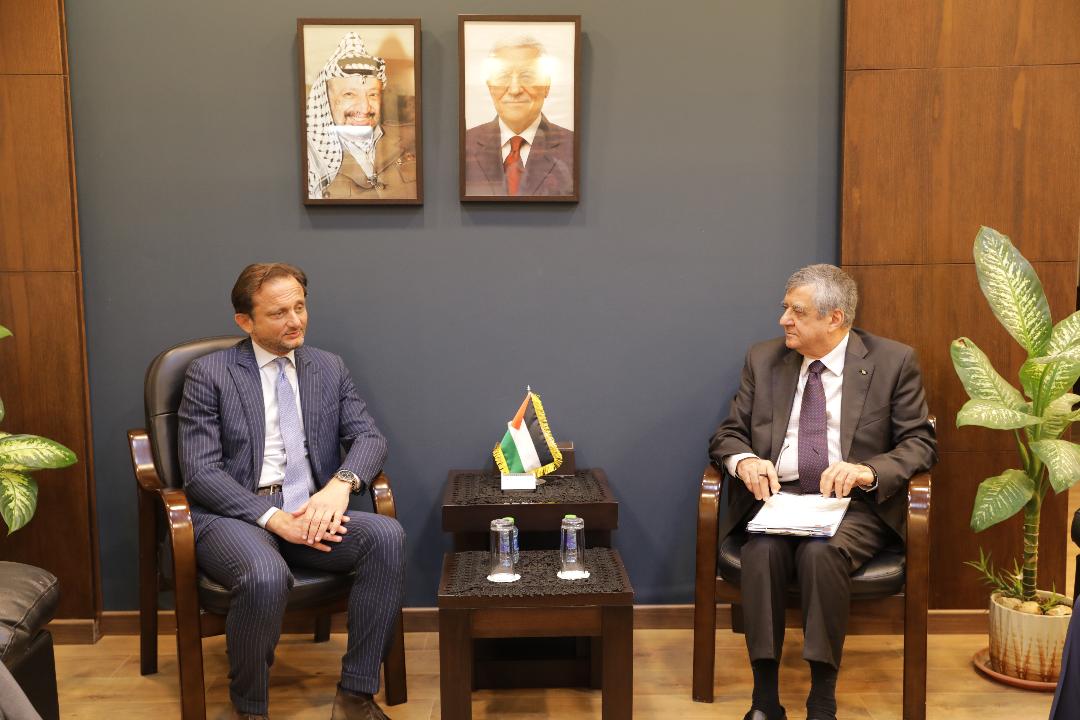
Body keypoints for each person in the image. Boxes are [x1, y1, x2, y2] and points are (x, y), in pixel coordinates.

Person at [709, 264, 937, 720]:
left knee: (821, 554)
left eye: (797, 311)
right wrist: (745, 461)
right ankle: (764, 699)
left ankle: (821, 699)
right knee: (762, 553)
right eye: (785, 309)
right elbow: (728, 434)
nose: (784, 320)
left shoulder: (893, 361)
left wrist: (867, 470)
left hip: (852, 506)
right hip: (778, 499)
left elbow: (920, 443)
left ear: (835, 318)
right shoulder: (764, 359)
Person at [178, 263, 405, 720]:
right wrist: (275, 519)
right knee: (265, 575)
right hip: (235, 516)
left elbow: (368, 437)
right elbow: (201, 473)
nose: (295, 320)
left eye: (299, 307)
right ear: (245, 321)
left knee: (386, 537)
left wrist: (340, 486)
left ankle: (356, 695)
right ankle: (250, 708)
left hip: (309, 509)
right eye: (279, 312)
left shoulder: (328, 367)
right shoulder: (209, 373)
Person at [306, 32, 417, 200]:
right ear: (326, 99)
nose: (365, 108)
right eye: (349, 94)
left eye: (373, 94)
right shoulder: (311, 158)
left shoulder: (412, 137)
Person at [464, 35, 574, 197]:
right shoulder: (465, 144)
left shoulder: (572, 147)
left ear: (546, 86)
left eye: (527, 76)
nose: (515, 89)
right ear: (490, 87)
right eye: (503, 76)